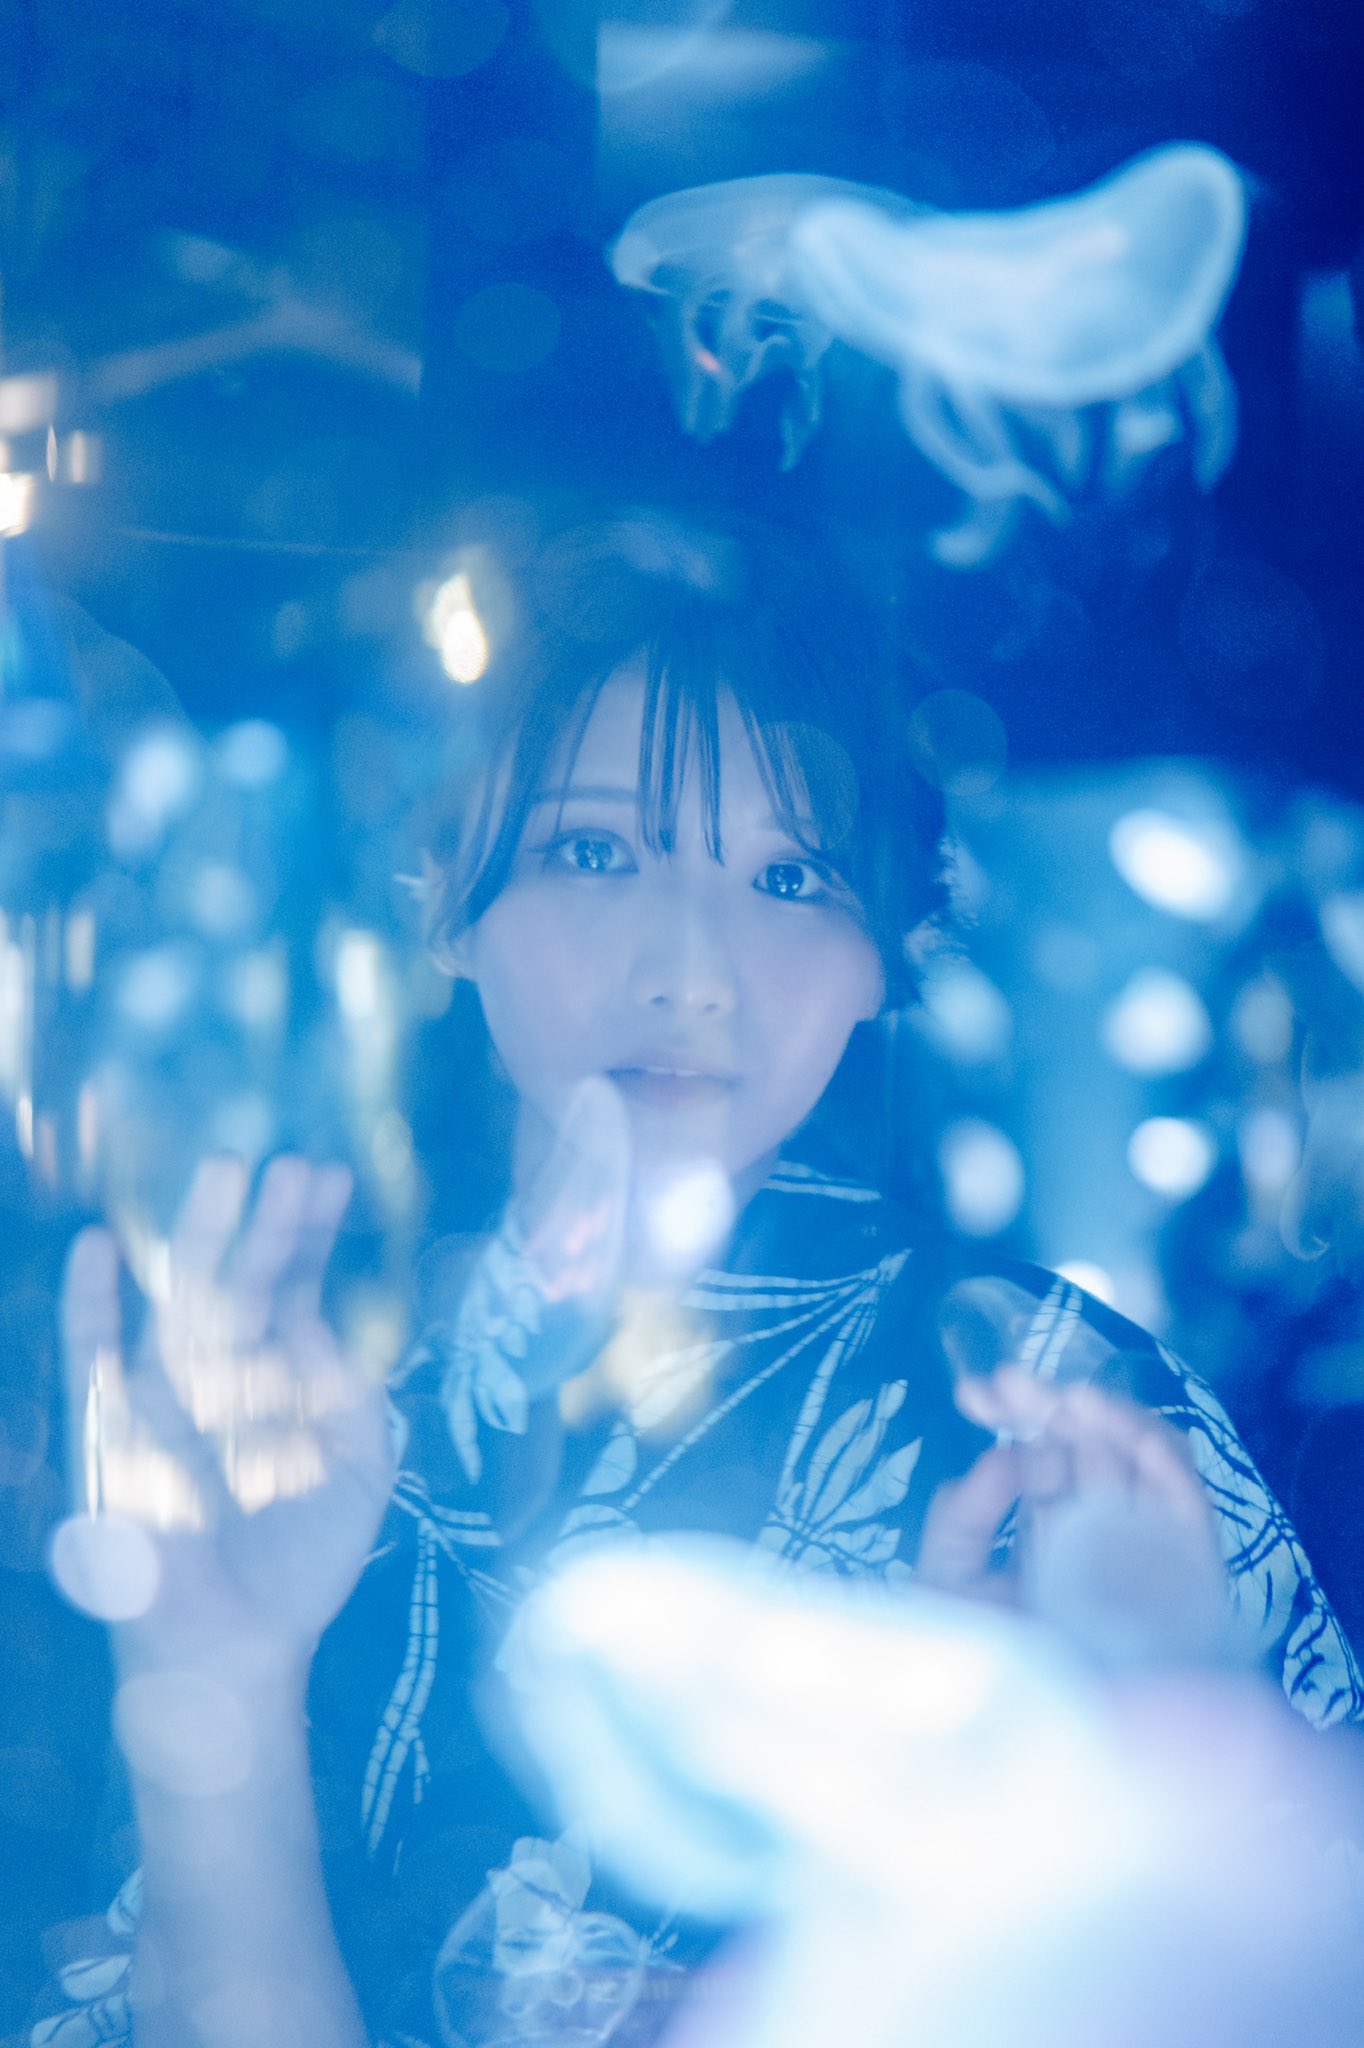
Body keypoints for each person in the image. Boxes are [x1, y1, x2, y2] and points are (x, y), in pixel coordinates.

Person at [37, 513, 1364, 2048]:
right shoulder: (291, 1395)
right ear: (441, 898)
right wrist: (218, 1672)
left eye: (791, 877)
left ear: (889, 956)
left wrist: (1085, 1792)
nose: (691, 971)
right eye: (595, 851)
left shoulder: (1050, 1413)